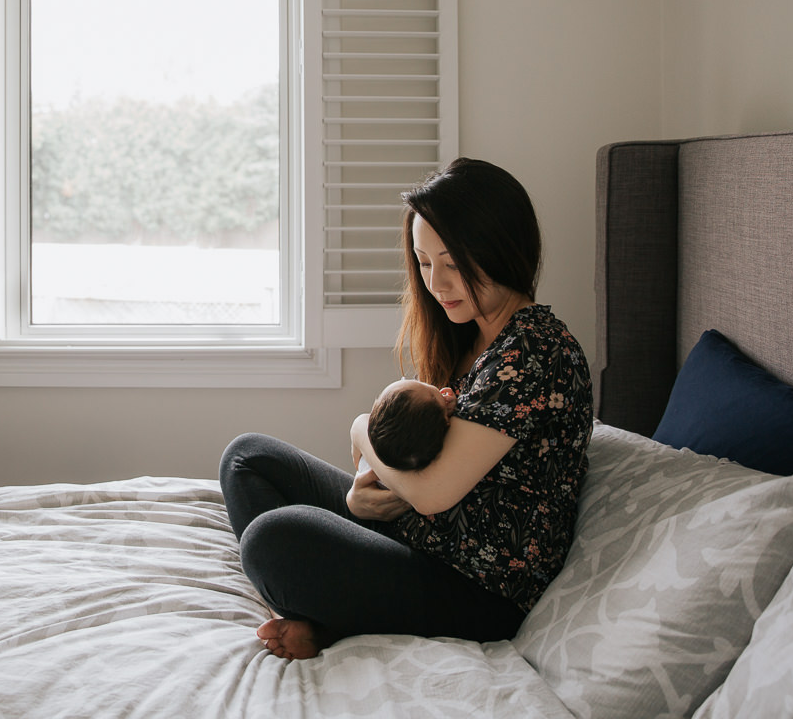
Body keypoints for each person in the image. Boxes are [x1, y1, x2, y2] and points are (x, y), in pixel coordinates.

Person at [220, 158, 593, 661]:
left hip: (472, 587)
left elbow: (434, 493)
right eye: (423, 262)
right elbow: (413, 476)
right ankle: (318, 614)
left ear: (503, 248)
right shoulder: (469, 339)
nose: (436, 283)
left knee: (272, 540)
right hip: (414, 541)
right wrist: (358, 502)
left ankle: (324, 619)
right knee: (247, 459)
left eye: (453, 263)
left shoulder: (536, 348)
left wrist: (358, 429)